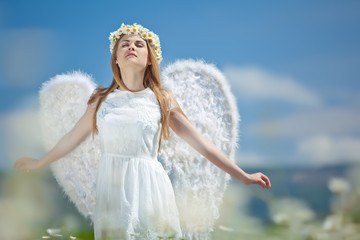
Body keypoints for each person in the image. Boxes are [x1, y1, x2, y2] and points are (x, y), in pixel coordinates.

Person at [13, 23, 271, 239]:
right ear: (115, 57)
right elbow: (70, 139)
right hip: (111, 188)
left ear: (150, 59)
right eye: (124, 44)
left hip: (149, 184)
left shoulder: (162, 99)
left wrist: (242, 176)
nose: (131, 47)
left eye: (138, 44)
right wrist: (39, 162)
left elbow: (202, 143)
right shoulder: (101, 99)